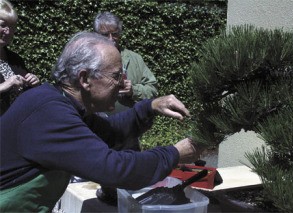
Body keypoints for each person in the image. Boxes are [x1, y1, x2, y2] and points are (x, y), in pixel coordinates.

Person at [0, 31, 202, 212]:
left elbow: (111, 132)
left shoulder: (63, 104)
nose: (123, 84)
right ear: (85, 79)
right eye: (116, 76)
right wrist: (174, 154)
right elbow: (114, 169)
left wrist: (150, 106)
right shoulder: (49, 113)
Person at [93, 11, 158, 115]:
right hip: (96, 125)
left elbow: (153, 90)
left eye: (114, 34)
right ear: (96, 35)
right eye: (105, 35)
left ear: (119, 34)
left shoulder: (135, 59)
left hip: (129, 125)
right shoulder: (88, 58)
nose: (110, 39)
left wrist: (133, 90)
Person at [0, 0, 40, 115]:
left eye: (12, 26)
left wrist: (34, 83)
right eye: (3, 25)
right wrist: (5, 85)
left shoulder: (15, 59)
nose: (8, 31)